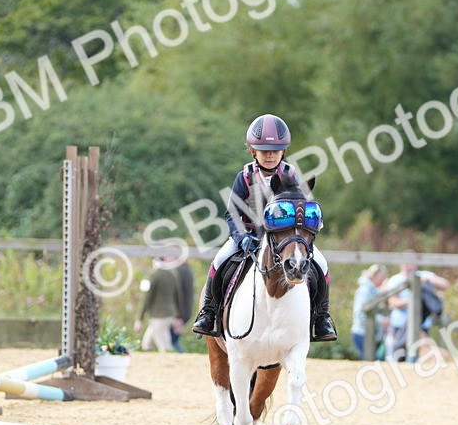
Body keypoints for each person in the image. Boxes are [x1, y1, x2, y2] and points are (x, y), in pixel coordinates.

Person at [192, 114, 337, 341]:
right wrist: (241, 238)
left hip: (285, 239)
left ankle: (321, 318)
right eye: (264, 150)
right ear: (253, 151)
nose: (270, 155)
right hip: (249, 237)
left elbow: (301, 210)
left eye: (275, 151)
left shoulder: (291, 175)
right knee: (220, 260)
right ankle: (209, 313)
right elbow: (232, 213)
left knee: (321, 263)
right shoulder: (245, 177)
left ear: (283, 151)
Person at [385, 263, 450, 361]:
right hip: (400, 323)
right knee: (400, 352)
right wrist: (412, 301)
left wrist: (427, 279)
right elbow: (392, 302)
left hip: (422, 323)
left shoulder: (423, 274)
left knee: (418, 352)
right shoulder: (395, 280)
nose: (409, 265)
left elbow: (445, 284)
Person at [135, 256, 180, 353]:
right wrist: (178, 316)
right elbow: (178, 296)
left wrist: (140, 318)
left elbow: (146, 298)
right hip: (170, 314)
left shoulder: (152, 275)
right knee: (147, 344)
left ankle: (171, 360)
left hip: (158, 315)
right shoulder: (173, 274)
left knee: (165, 346)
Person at [351, 264, 388, 360]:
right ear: (374, 276)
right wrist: (380, 320)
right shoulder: (365, 291)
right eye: (382, 277)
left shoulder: (373, 290)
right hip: (362, 333)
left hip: (370, 334)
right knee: (371, 361)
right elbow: (360, 313)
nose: (383, 280)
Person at [170, 259, 195, 353]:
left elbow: (179, 296)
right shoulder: (185, 269)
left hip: (178, 315)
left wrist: (178, 317)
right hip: (183, 313)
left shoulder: (179, 271)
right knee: (173, 342)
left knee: (173, 344)